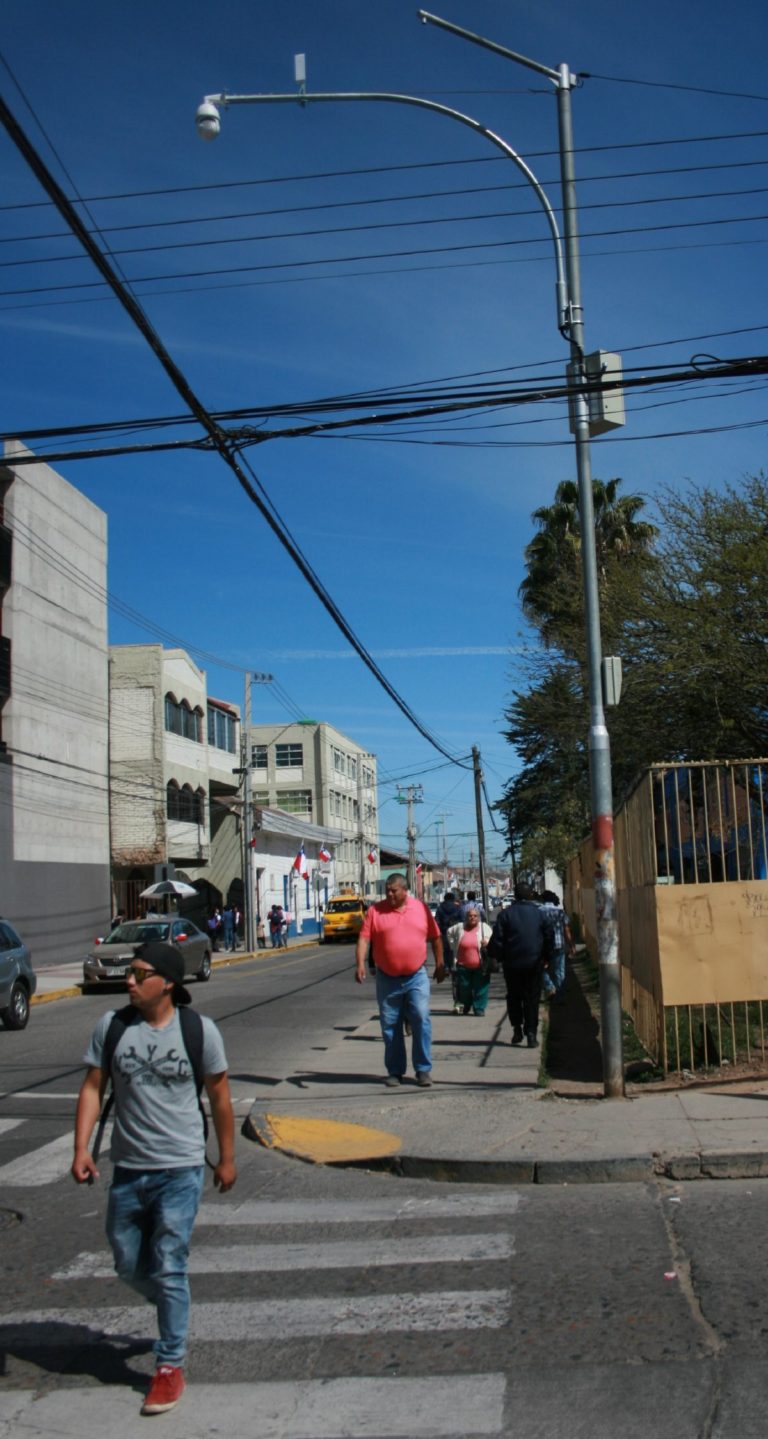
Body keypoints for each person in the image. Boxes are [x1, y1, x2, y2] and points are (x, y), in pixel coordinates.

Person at [71, 941, 236, 1416]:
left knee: (169, 1260)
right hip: (128, 1168)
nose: (128, 980)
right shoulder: (113, 1026)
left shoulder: (199, 1031)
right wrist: (81, 1148)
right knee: (126, 1262)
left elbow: (221, 1098)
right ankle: (170, 1302)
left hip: (180, 1168)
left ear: (167, 982)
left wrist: (226, 1158)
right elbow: (92, 1088)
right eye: (129, 972)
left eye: (139, 973)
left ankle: (169, 1365)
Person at [355, 873, 445, 1088]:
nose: (389, 894)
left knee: (421, 1017)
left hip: (416, 976)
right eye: (387, 890)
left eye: (393, 890)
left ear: (405, 890)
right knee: (390, 1025)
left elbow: (436, 937)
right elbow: (364, 939)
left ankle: (423, 1070)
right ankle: (395, 1071)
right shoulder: (375, 911)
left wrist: (441, 965)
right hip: (388, 979)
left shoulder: (421, 909)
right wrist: (360, 963)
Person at [488, 881, 554, 1048]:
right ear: (531, 895)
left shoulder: (506, 915)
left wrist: (499, 957)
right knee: (532, 998)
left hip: (512, 964)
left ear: (515, 896)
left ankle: (517, 1028)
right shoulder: (540, 914)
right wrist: (547, 958)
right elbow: (549, 937)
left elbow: (497, 940)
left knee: (514, 996)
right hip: (534, 963)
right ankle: (531, 1033)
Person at [446, 907, 494, 1016]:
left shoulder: (484, 927)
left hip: (481, 965)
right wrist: (453, 946)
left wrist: (486, 942)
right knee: (464, 987)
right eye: (470, 916)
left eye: (475, 916)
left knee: (481, 988)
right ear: (466, 917)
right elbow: (449, 932)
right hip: (463, 965)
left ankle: (479, 1008)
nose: (472, 918)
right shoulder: (460, 927)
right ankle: (466, 1005)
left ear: (478, 917)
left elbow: (493, 938)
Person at [539, 890, 575, 1001]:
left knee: (540, 969)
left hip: (543, 946)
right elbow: (566, 930)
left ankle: (550, 987)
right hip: (559, 945)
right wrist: (571, 945)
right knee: (559, 971)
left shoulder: (538, 912)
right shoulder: (560, 912)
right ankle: (560, 996)